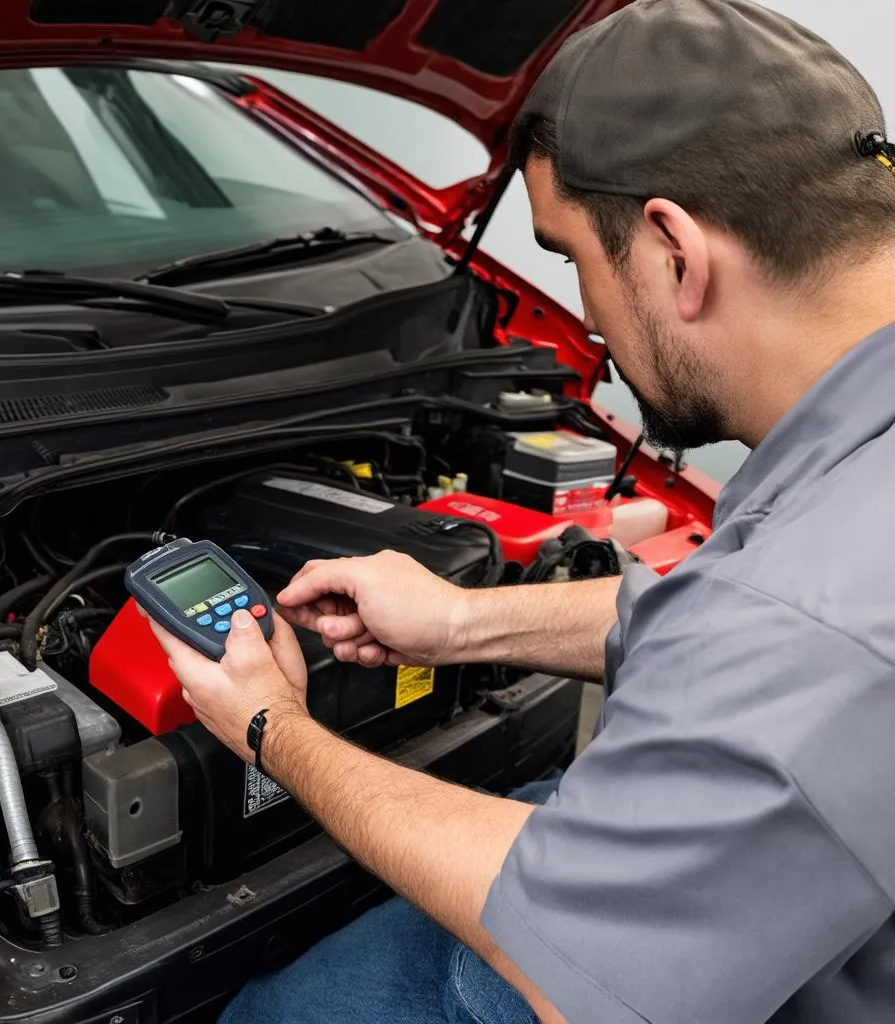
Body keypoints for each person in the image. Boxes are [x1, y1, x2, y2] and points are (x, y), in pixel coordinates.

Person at [145, 1, 895, 1020]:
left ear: (675, 249)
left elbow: (564, 963)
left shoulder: (806, 609)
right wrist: (464, 622)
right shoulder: (853, 456)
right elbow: (729, 622)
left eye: (573, 257)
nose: (584, 314)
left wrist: (270, 727)